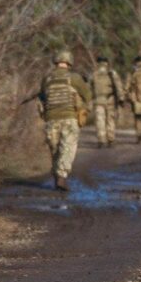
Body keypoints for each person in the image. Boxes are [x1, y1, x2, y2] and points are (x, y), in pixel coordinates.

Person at [39, 50, 92, 191]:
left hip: (51, 119)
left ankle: (57, 176)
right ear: (69, 62)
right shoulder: (74, 78)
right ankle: (61, 176)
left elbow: (42, 97)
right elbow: (87, 95)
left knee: (55, 149)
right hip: (69, 118)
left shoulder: (47, 78)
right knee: (67, 148)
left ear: (56, 61)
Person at [90, 56, 124, 148]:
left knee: (100, 120)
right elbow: (118, 85)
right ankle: (111, 139)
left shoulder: (94, 74)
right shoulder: (112, 73)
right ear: (107, 63)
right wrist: (121, 98)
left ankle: (101, 140)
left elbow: (89, 88)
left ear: (98, 63)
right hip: (110, 100)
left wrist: (89, 101)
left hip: (98, 100)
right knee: (110, 120)